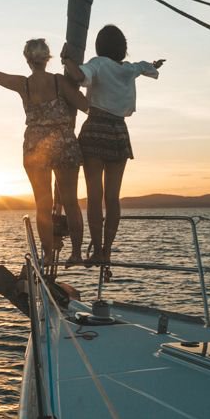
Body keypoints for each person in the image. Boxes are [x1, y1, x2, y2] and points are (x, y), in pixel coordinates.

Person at [0, 39, 88, 265]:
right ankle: (77, 253)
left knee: (42, 203)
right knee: (70, 201)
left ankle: (48, 255)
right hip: (63, 143)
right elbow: (85, 105)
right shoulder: (60, 82)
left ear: (27, 59)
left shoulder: (24, 85)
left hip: (35, 147)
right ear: (47, 58)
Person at [61, 25, 165, 266]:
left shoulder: (98, 63)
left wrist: (66, 59)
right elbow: (145, 68)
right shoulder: (129, 68)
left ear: (100, 46)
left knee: (95, 197)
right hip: (118, 131)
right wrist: (154, 65)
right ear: (122, 48)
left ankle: (96, 250)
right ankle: (106, 251)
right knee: (113, 198)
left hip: (96, 129)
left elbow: (78, 76)